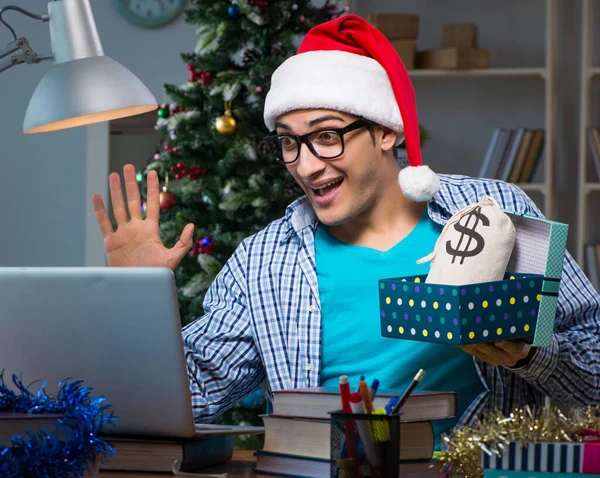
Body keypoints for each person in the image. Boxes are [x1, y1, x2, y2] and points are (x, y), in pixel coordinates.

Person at [92, 14, 600, 448]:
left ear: (386, 130)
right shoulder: (263, 262)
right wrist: (135, 302)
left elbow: (595, 372)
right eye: (289, 143)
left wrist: (534, 355)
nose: (306, 166)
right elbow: (191, 394)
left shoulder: (496, 214)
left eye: (327, 136)